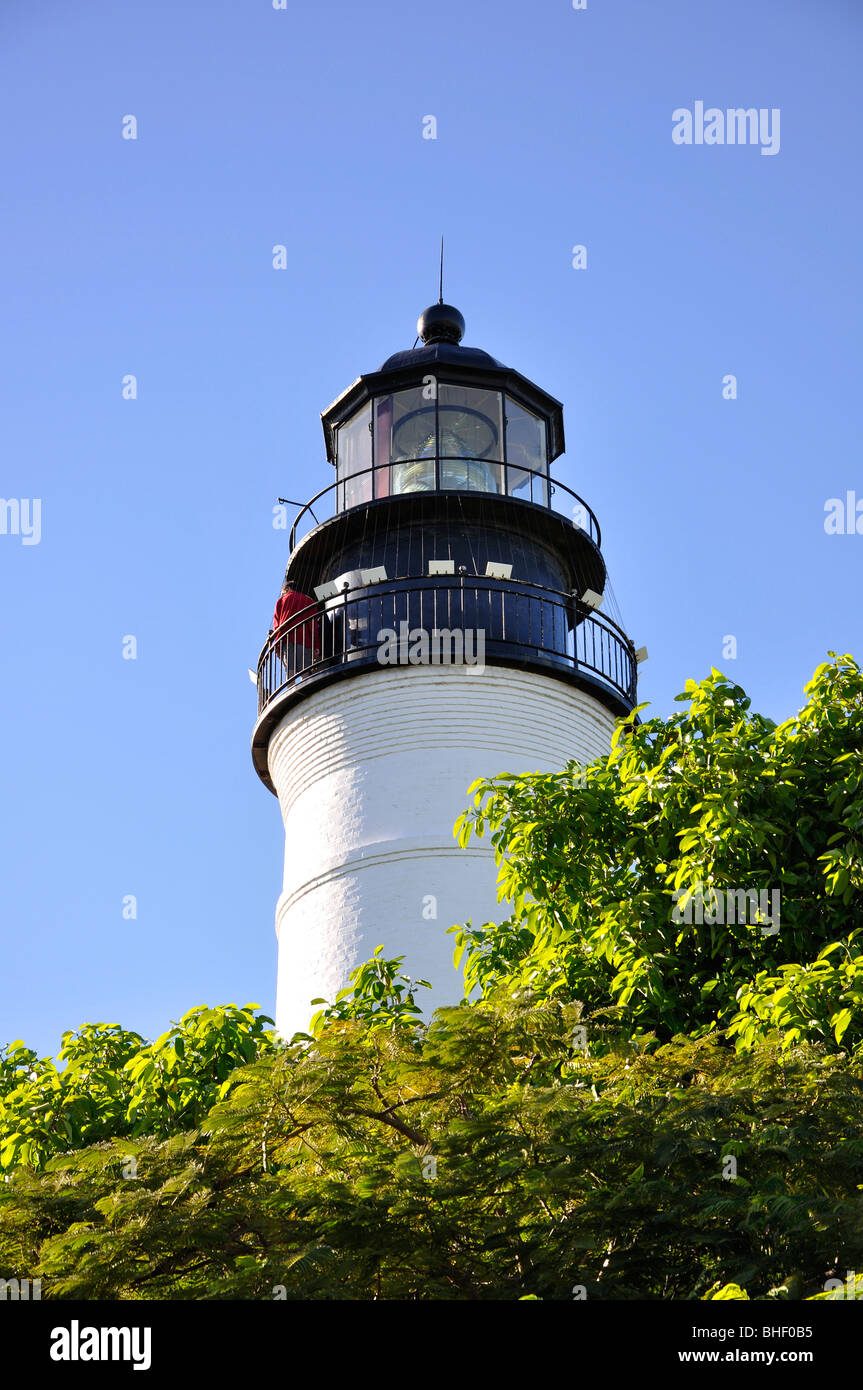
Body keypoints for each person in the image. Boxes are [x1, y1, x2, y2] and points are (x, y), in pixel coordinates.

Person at [272, 577, 321, 681]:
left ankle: (291, 688)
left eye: (283, 592)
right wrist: (316, 645)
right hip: (305, 640)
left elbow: (276, 625)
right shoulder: (310, 601)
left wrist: (277, 646)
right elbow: (313, 626)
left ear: (287, 589)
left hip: (286, 639)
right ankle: (306, 689)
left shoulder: (281, 601)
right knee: (305, 670)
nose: (283, 594)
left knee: (290, 670)